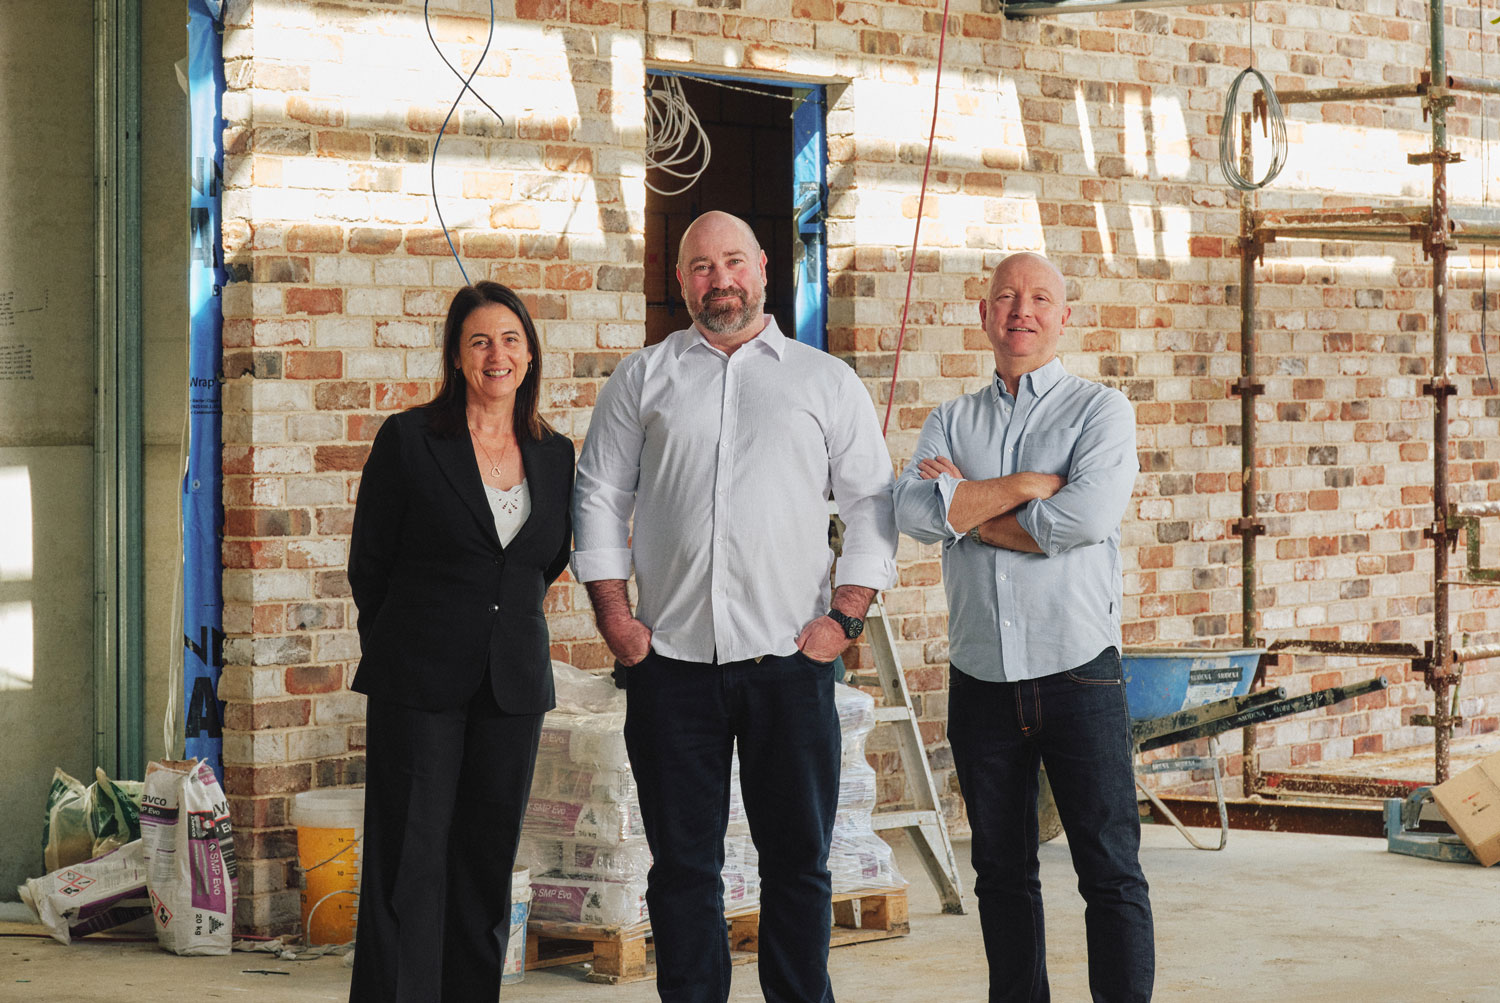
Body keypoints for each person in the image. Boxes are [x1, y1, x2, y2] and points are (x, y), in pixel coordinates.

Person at [572, 210, 897, 1003]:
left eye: (732, 263)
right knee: (683, 869)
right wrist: (616, 618)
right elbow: (598, 494)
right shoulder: (641, 378)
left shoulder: (825, 381)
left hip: (789, 662)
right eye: (700, 267)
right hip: (671, 667)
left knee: (798, 863)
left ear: (761, 268)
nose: (720, 281)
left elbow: (872, 505)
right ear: (680, 280)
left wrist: (844, 619)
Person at [892, 252, 1154, 1003]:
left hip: (1079, 673)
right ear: (984, 315)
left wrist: (966, 511)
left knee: (1108, 869)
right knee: (1000, 874)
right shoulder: (951, 418)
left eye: (1040, 297)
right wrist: (1025, 490)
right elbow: (912, 512)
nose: (1021, 310)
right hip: (981, 680)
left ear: (1063, 316)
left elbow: (1085, 517)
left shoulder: (1100, 410)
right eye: (1006, 296)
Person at [345, 281, 574, 1002]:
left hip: (511, 685)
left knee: (484, 861)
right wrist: (408, 641)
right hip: (419, 677)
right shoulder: (411, 439)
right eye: (479, 340)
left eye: (510, 339)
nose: (496, 354)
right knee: (408, 863)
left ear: (531, 353)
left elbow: (544, 560)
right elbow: (369, 565)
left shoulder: (555, 452)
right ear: (455, 355)